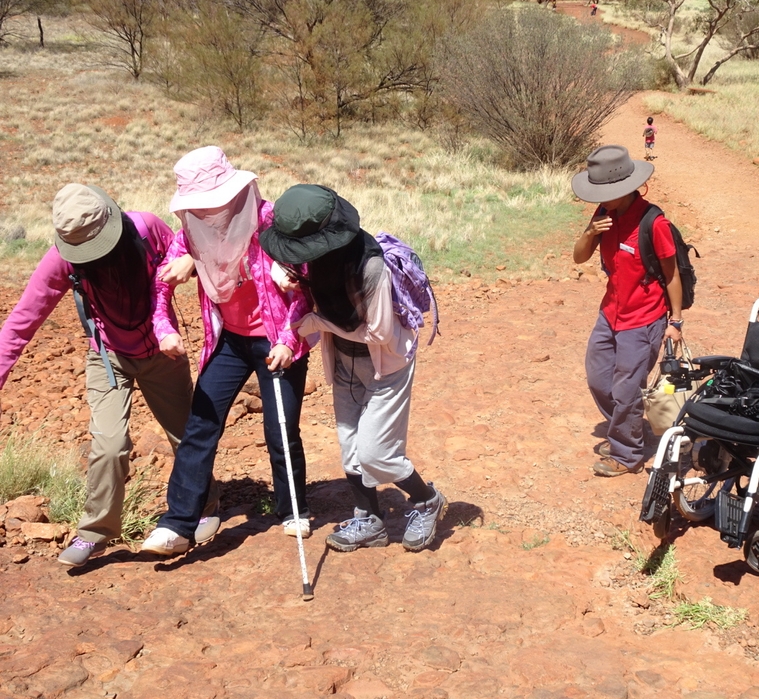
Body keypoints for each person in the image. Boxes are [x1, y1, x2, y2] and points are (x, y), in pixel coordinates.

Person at [0, 184, 207, 567]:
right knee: (109, 445)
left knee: (185, 435)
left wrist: (192, 261)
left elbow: (191, 255)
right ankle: (96, 533)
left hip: (162, 351)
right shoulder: (61, 261)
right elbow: (21, 322)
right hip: (108, 356)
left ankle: (201, 507)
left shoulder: (147, 229)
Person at [141, 147, 312, 556]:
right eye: (199, 205)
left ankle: (293, 508)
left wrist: (290, 340)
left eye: (213, 202)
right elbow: (160, 289)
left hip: (277, 340)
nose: (208, 211)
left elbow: (310, 290)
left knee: (280, 430)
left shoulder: (272, 222)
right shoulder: (189, 235)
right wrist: (164, 330)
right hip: (230, 341)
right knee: (201, 425)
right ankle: (178, 523)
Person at [258, 184, 447, 553]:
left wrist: (315, 322)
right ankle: (370, 520)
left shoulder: (371, 268)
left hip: (385, 367)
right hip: (344, 362)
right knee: (350, 450)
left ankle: (427, 501)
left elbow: (378, 333)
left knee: (378, 454)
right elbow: (312, 305)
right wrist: (296, 307)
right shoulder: (315, 262)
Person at [572, 145, 684, 476]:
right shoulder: (603, 215)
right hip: (610, 313)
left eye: (606, 192)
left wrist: (675, 321)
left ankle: (627, 453)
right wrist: (590, 232)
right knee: (598, 378)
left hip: (644, 318)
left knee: (626, 387)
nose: (600, 199)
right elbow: (579, 257)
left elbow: (672, 274)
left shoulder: (654, 222)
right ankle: (628, 427)